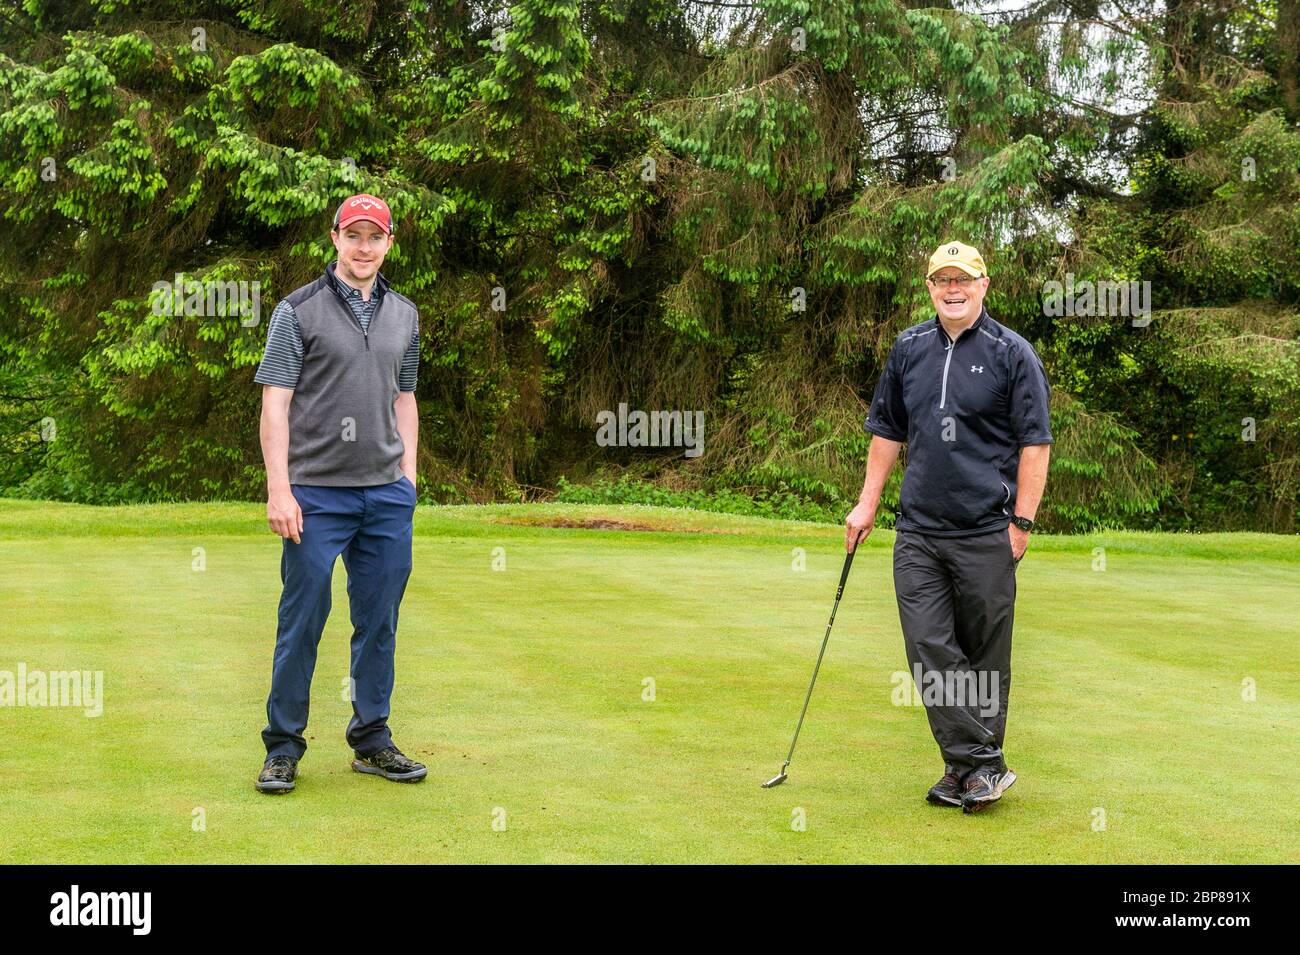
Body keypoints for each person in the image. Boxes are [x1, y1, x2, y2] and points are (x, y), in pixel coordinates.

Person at [845, 241, 1053, 813]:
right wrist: (867, 505)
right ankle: (983, 764)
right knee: (930, 647)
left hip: (988, 529)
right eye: (943, 280)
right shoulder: (909, 347)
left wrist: (1023, 522)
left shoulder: (1014, 354)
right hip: (919, 531)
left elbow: (1035, 445)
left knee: (985, 656)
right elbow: (887, 430)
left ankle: (964, 771)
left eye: (964, 279)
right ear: (930, 287)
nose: (953, 289)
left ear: (984, 285)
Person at [251, 193, 426, 793]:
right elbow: (276, 402)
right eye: (353, 236)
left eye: (374, 237)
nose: (363, 248)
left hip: (384, 496)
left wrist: (408, 475)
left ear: (388, 244)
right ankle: (283, 747)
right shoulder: (296, 311)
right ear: (334, 239)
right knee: (303, 619)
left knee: (378, 621)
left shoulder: (405, 314)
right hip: (315, 495)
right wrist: (280, 490)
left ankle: (373, 740)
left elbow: (405, 397)